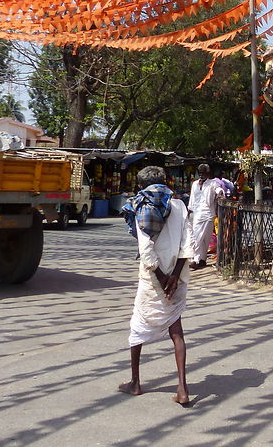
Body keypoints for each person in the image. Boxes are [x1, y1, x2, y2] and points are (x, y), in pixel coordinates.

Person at [119, 165, 192, 405]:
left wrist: (161, 279)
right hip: (177, 276)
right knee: (176, 330)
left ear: (141, 185)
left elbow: (146, 248)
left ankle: (135, 383)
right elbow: (186, 242)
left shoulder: (142, 205)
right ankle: (182, 388)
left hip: (153, 277)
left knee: (138, 327)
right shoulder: (179, 204)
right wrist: (173, 276)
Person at [188, 163, 224, 270]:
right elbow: (192, 198)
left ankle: (202, 260)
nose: (202, 175)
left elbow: (218, 190)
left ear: (208, 174)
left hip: (208, 214)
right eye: (200, 173)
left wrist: (220, 192)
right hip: (197, 214)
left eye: (204, 173)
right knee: (197, 237)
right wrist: (189, 210)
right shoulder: (195, 184)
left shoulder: (213, 184)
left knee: (205, 239)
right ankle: (196, 259)